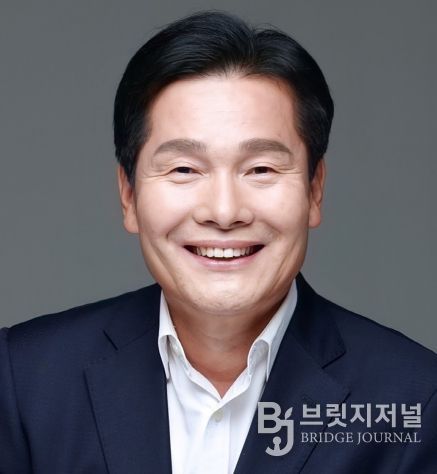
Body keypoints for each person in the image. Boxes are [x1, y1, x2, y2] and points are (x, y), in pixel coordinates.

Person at [1, 10, 436, 474]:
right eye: (184, 169)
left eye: (261, 169)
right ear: (128, 195)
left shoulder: (417, 399)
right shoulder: (23, 380)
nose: (225, 212)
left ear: (314, 190)